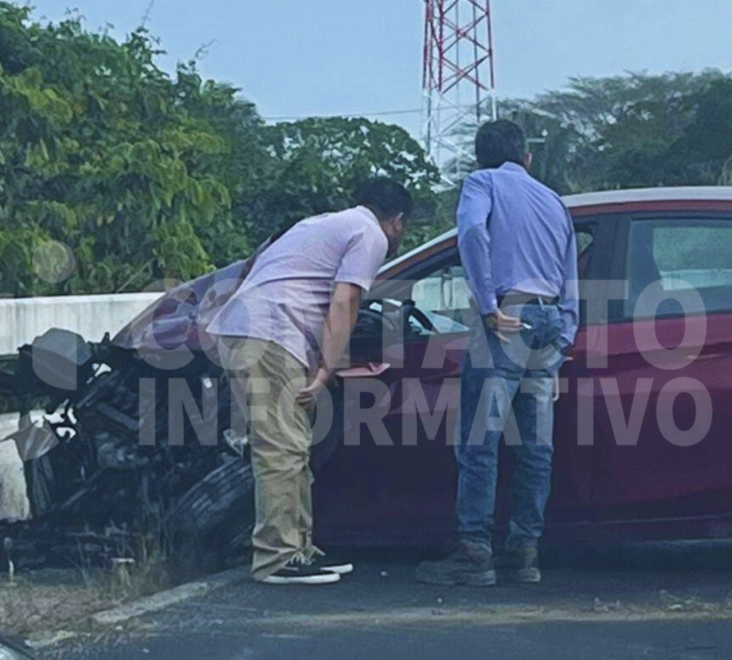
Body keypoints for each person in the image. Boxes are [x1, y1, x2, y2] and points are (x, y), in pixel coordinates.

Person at [208, 179, 411, 585]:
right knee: (282, 447)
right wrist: (326, 370)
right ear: (398, 221)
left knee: (293, 445)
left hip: (256, 331)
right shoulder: (370, 234)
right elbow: (345, 302)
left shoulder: (324, 224)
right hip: (268, 334)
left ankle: (297, 549)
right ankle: (276, 558)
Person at [416, 120, 578, 587]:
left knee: (479, 442)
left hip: (506, 317)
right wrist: (564, 339)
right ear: (526, 157)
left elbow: (470, 232)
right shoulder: (553, 200)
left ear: (479, 157)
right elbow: (569, 274)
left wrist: (487, 305)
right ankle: (524, 553)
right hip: (548, 323)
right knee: (536, 448)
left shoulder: (480, 183)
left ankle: (473, 552)